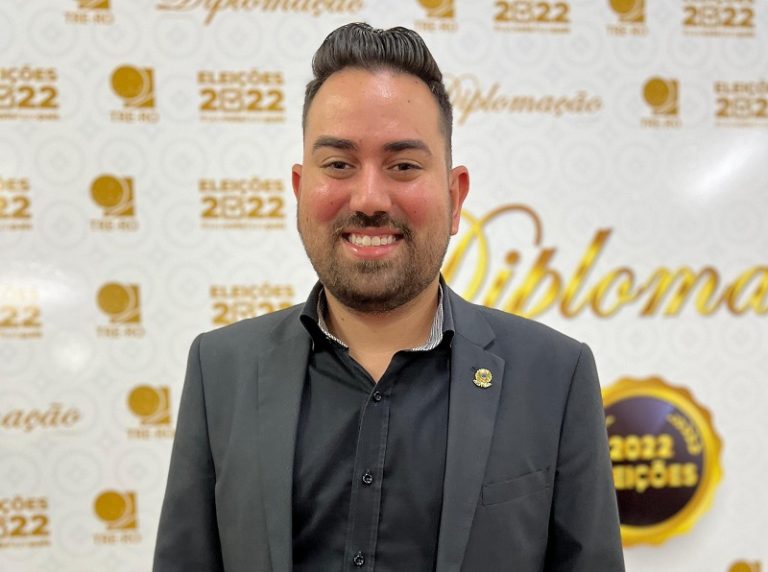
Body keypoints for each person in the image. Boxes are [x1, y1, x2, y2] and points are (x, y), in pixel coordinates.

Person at [154, 22, 625, 572]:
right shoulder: (220, 369)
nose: (370, 198)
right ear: (300, 190)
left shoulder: (555, 375)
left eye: (403, 165)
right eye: (339, 164)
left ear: (454, 196)